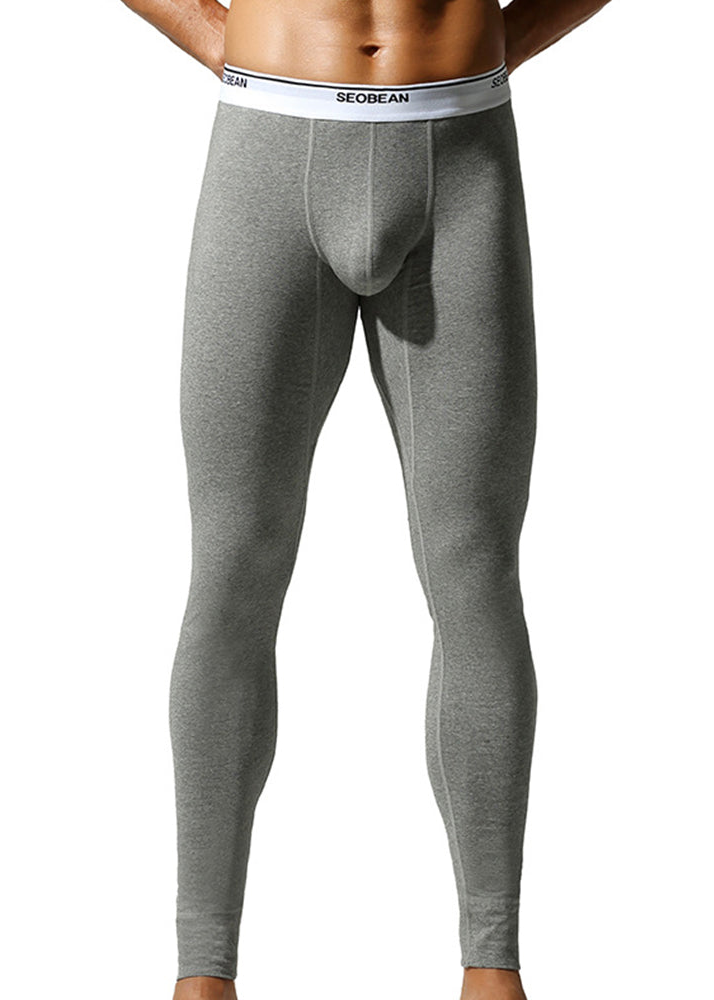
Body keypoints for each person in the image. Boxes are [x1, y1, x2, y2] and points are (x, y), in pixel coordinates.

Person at [119, 1, 613, 998]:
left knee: (474, 569)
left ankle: (493, 966)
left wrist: (498, 44)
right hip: (271, 137)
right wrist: (218, 36)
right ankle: (202, 975)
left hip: (459, 151)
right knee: (233, 570)